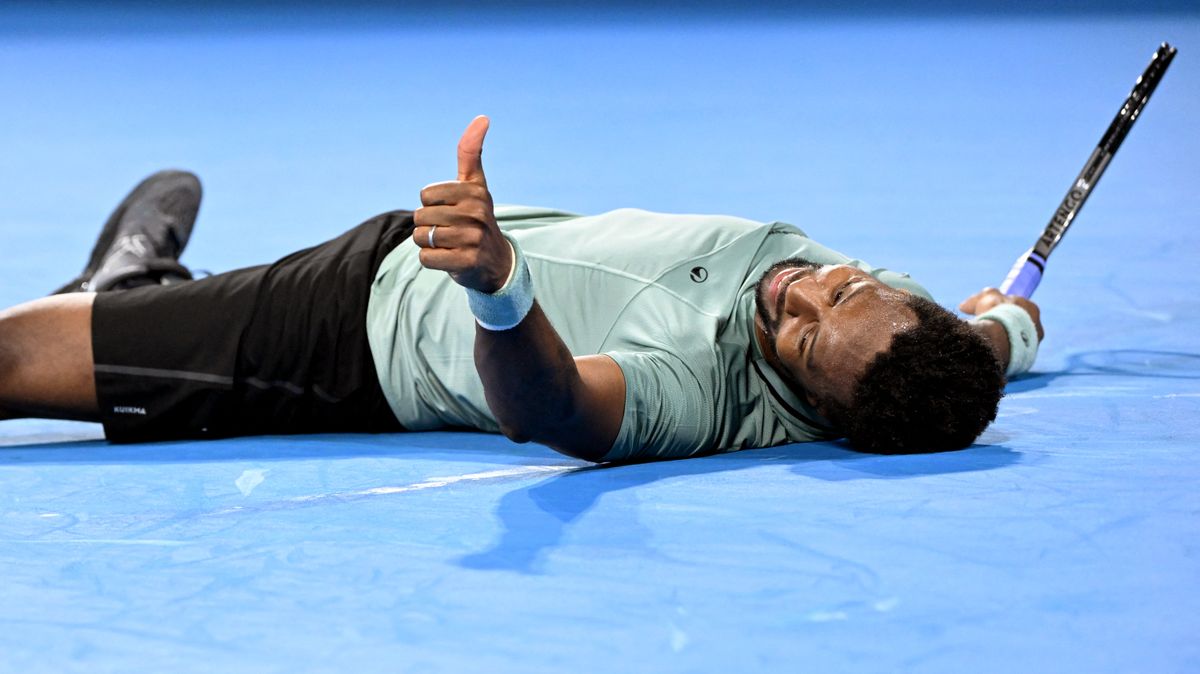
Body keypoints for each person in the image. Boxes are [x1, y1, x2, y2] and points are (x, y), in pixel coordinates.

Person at [0, 116, 1043, 463]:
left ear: (816, 409)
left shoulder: (702, 390)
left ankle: (126, 295)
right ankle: (132, 292)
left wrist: (499, 289)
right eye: (842, 285)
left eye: (809, 342)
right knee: (117, 330)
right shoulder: (907, 331)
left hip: (343, 343)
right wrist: (1014, 331)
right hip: (400, 253)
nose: (800, 297)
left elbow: (553, 405)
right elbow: (977, 345)